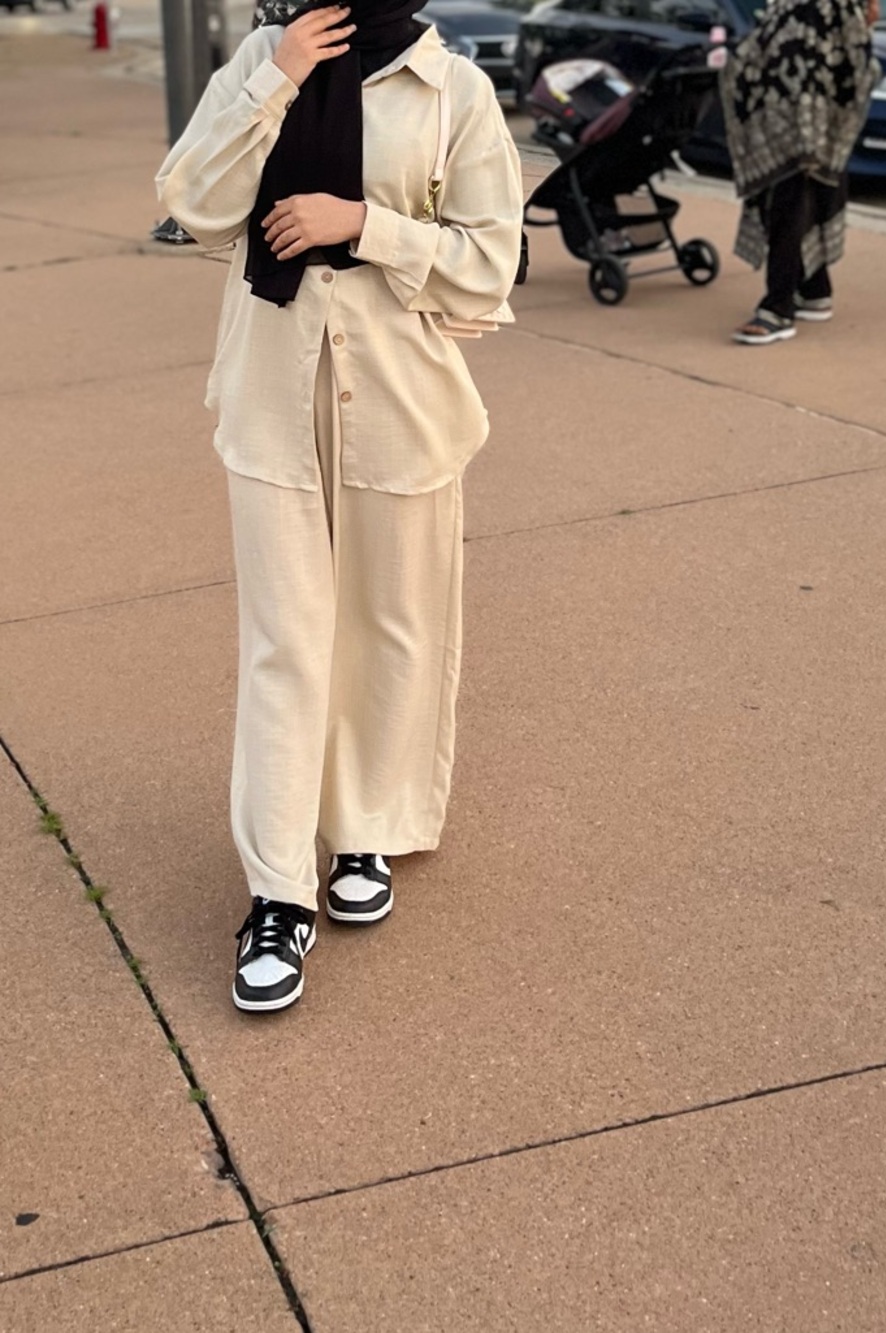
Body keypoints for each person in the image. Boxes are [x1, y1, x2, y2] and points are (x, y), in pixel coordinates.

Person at [155, 0, 523, 1012]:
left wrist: (363, 224)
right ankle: (278, 891)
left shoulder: (453, 90)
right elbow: (193, 202)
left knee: (392, 626)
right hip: (272, 395)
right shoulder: (259, 56)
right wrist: (275, 77)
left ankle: (363, 825)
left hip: (400, 401)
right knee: (287, 640)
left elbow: (492, 261)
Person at [720, 0, 880, 346]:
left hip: (805, 120)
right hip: (797, 116)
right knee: (807, 196)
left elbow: (851, 59)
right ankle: (814, 289)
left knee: (788, 203)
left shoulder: (826, 8)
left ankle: (778, 309)